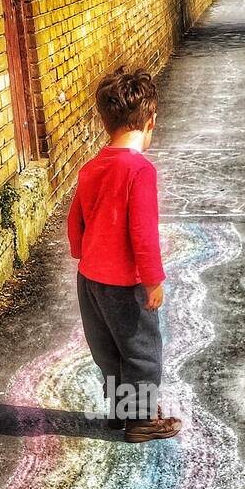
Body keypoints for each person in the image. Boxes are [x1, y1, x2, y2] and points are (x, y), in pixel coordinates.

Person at [67, 67, 182, 444]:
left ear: (104, 121)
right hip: (125, 283)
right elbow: (143, 233)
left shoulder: (90, 168)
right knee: (141, 353)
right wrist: (152, 279)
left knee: (109, 350)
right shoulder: (139, 170)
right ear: (151, 120)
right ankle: (142, 420)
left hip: (91, 280)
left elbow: (75, 222)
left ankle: (120, 413)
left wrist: (84, 254)